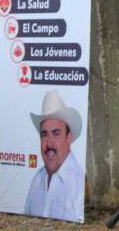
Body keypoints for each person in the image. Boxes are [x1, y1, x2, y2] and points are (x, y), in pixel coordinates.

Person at [25, 90, 85, 223]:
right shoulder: (37, 179)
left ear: (69, 138)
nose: (49, 143)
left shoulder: (79, 184)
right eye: (44, 134)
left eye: (56, 133)